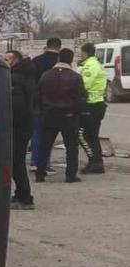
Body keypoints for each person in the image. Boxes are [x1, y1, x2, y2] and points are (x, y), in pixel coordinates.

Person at [36, 48, 87, 183]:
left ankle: (40, 173)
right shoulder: (75, 77)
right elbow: (81, 98)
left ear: (59, 59)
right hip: (68, 116)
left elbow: (38, 96)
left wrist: (43, 111)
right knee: (71, 147)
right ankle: (70, 175)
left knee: (45, 146)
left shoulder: (46, 75)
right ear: (71, 60)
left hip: (49, 115)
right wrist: (76, 112)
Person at [5, 50, 36, 209]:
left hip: (18, 126)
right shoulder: (25, 75)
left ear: (14, 61)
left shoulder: (14, 79)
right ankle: (20, 194)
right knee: (17, 161)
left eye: (7, 59)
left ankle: (25, 198)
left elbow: (16, 107)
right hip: (25, 124)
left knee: (16, 162)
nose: (4, 62)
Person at [30, 38, 61, 172]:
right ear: (59, 47)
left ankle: (34, 161)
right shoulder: (60, 62)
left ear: (46, 46)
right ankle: (45, 163)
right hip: (54, 103)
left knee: (36, 133)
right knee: (48, 135)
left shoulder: (36, 61)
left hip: (37, 102)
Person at [78, 42, 108, 174]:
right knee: (92, 135)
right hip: (96, 103)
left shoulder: (90, 66)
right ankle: (97, 162)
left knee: (82, 134)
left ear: (85, 53)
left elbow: (84, 85)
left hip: (91, 104)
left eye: (81, 52)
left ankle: (94, 161)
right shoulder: (95, 64)